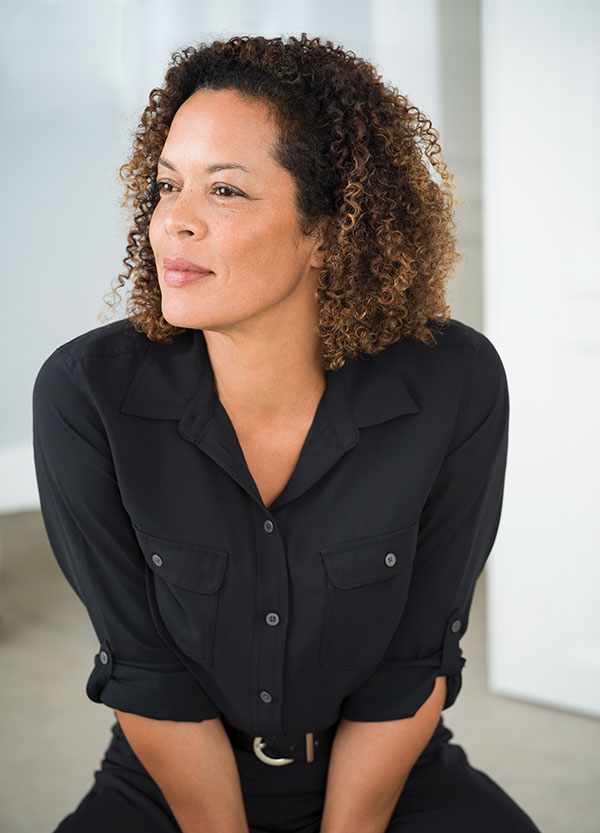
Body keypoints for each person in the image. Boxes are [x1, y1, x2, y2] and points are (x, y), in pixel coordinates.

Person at [32, 33, 542, 833]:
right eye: (168, 186)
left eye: (225, 192)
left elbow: (414, 665)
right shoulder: (85, 393)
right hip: (170, 786)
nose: (176, 223)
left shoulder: (454, 382)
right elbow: (147, 672)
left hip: (385, 776)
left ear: (329, 233)